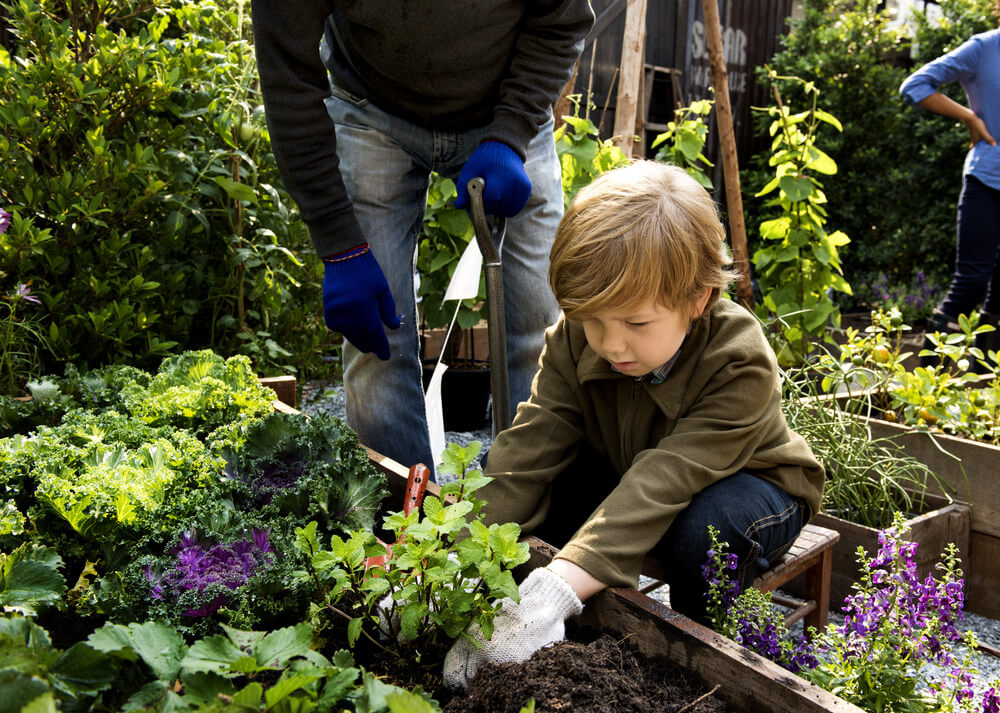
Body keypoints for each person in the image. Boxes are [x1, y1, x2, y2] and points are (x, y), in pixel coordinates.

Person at [443, 160, 826, 689]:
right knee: (531, 485)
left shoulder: (738, 359)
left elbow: (666, 476)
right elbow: (528, 449)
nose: (611, 343)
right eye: (593, 319)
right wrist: (448, 562)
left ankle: (700, 679)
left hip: (755, 486)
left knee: (705, 542)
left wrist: (557, 588)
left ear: (699, 298)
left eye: (636, 323)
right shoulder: (575, 338)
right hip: (636, 470)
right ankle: (569, 656)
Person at [250, 2, 594, 475]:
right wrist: (340, 243)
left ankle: (529, 512)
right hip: (370, 107)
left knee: (539, 331)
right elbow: (287, 75)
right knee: (376, 346)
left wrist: (512, 132)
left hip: (505, 102)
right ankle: (406, 529)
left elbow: (562, 17)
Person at [899, 30, 1000, 360]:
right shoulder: (984, 48)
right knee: (973, 280)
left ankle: (983, 380)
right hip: (987, 180)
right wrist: (968, 115)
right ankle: (925, 380)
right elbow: (915, 86)